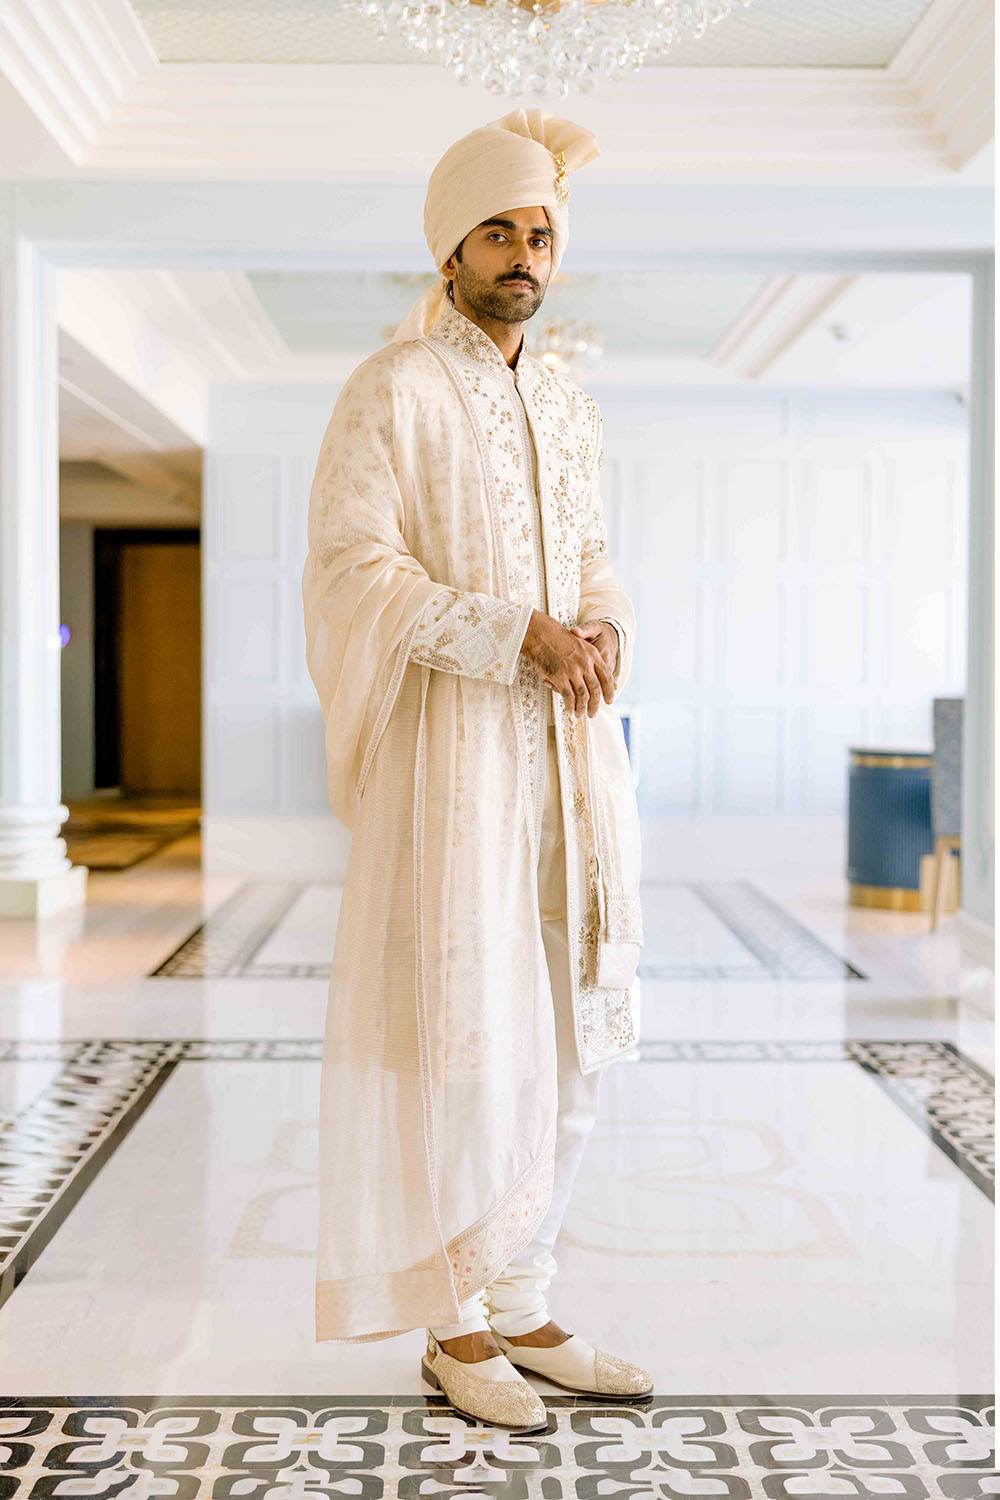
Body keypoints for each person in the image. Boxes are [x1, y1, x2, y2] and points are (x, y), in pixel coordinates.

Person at [301, 108, 649, 1433]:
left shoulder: (567, 401)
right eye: (497, 232)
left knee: (572, 1024)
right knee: (465, 1039)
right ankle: (454, 1326)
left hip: (575, 762)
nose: (523, 255)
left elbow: (597, 555)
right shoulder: (392, 389)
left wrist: (602, 628)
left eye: (540, 234)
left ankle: (527, 1298)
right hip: (455, 767)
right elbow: (354, 569)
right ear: (450, 249)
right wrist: (518, 636)